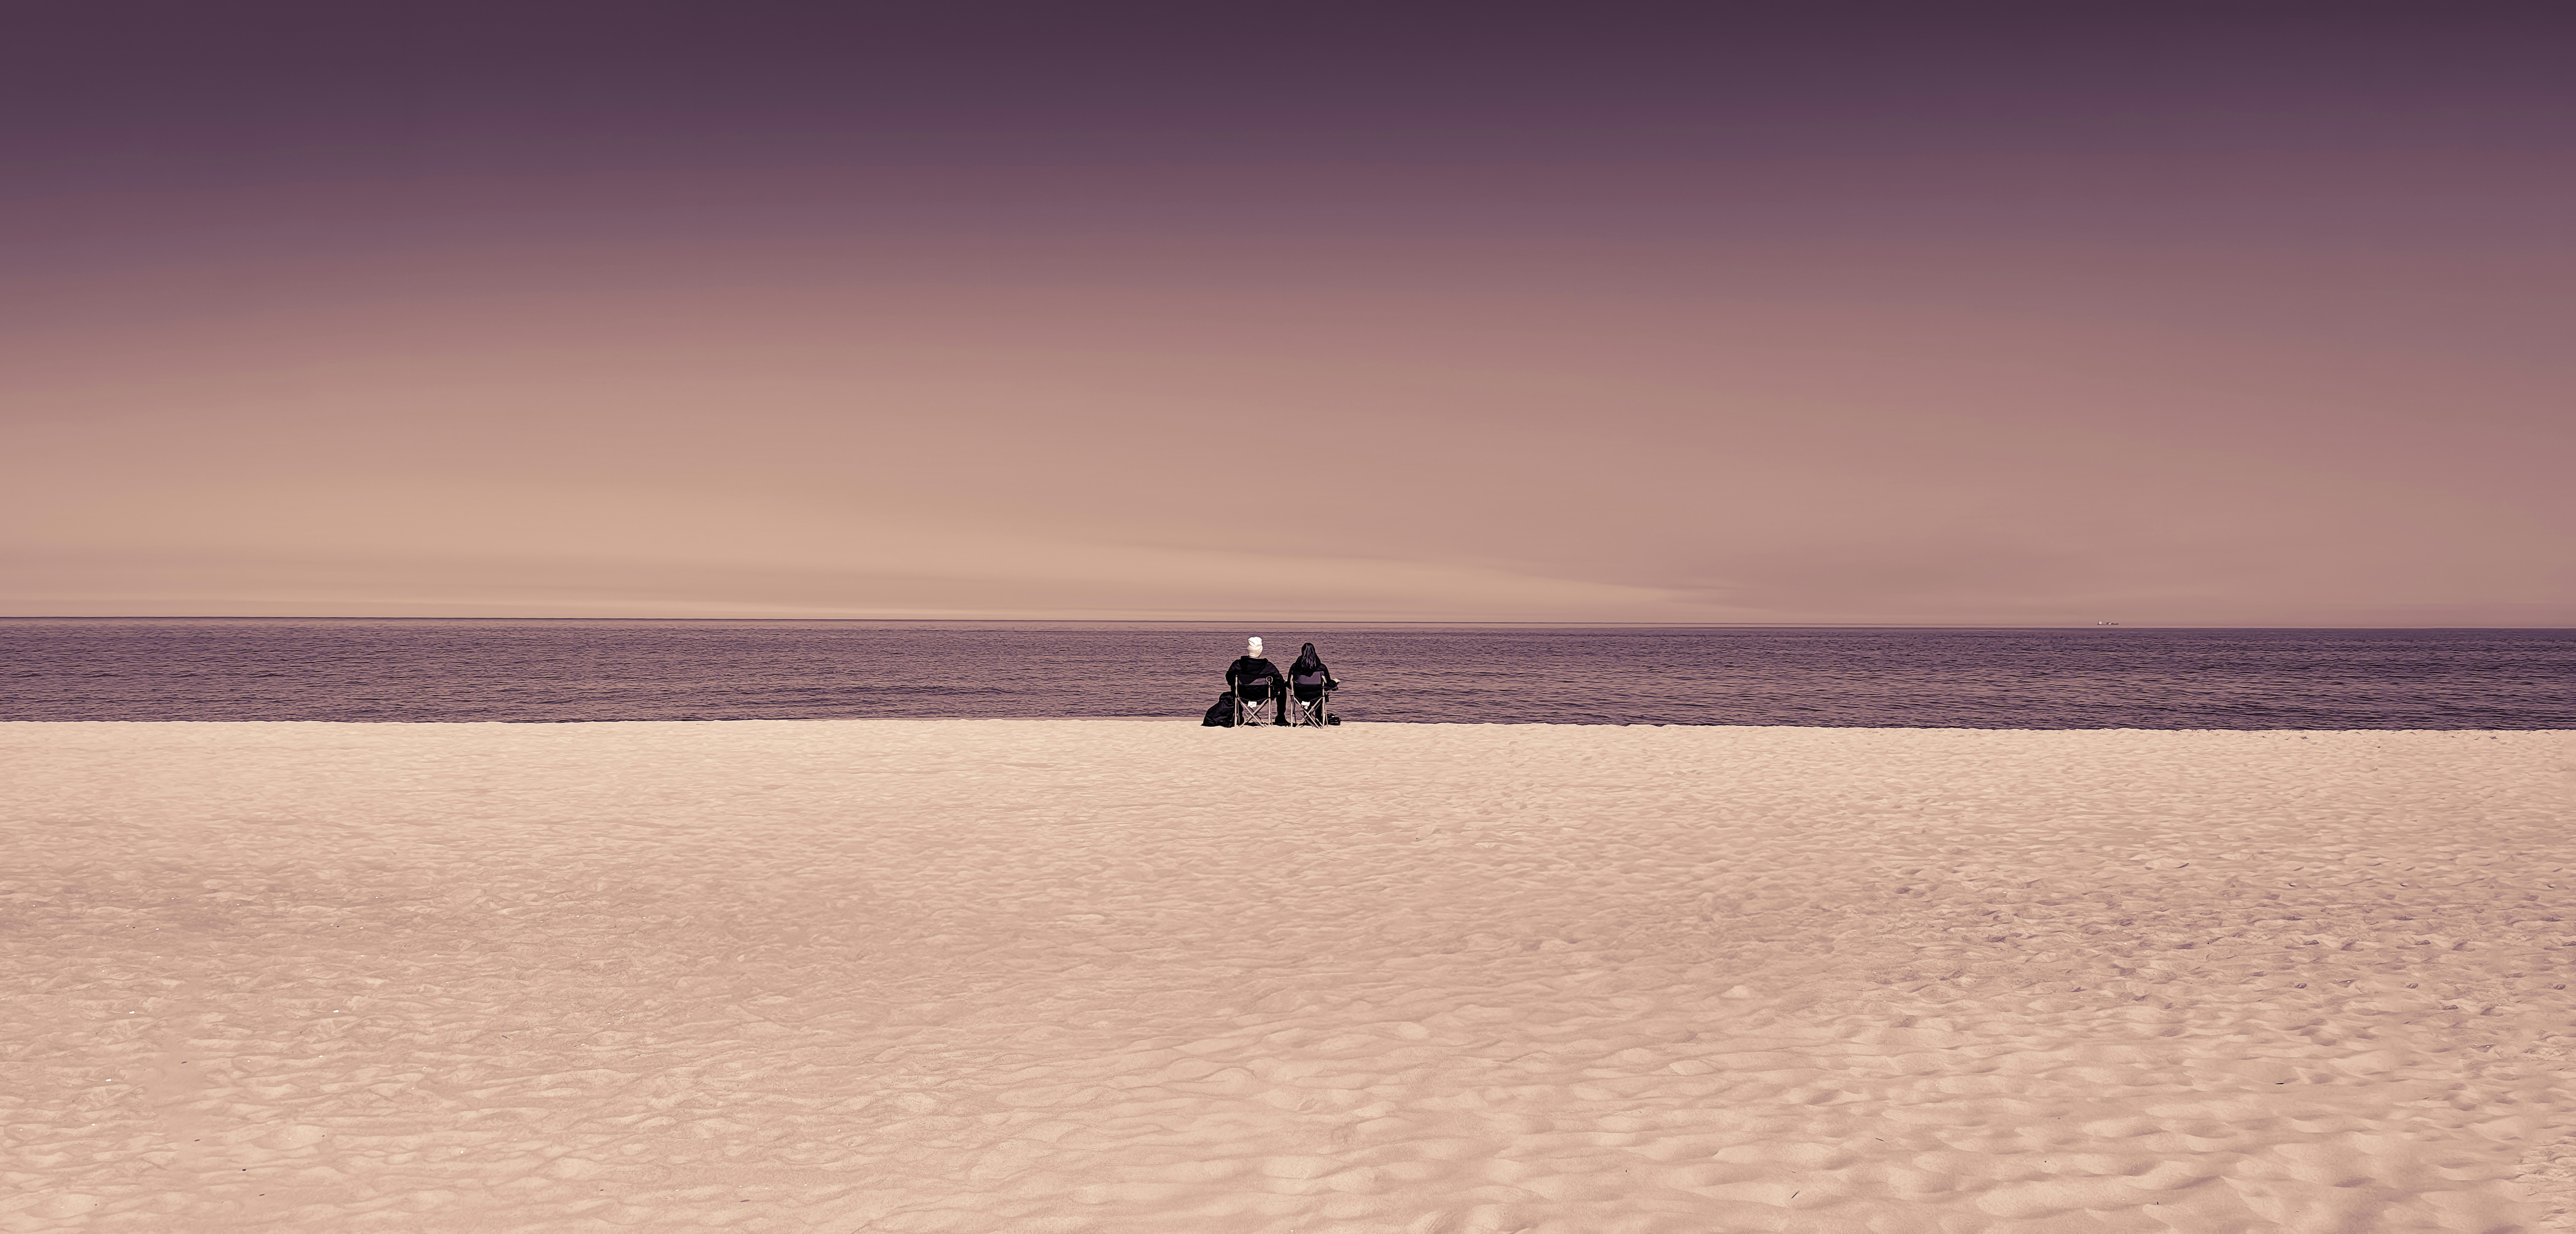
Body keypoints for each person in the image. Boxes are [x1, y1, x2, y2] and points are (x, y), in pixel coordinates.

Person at [1225, 637, 1289, 726]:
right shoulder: (1268, 667)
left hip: (1242, 696)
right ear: (1260, 651)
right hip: (1263, 696)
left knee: (1234, 687)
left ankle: (1239, 717)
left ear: (1249, 650)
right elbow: (1280, 682)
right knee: (1282, 688)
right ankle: (1281, 718)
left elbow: (1230, 679)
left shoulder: (1237, 664)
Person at [1288, 642, 1340, 724]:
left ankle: (1308, 717)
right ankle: (1319, 718)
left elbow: (1289, 685)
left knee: (1309, 692)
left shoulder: (1294, 667)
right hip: (1317, 697)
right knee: (1321, 694)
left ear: (1302, 652)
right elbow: (1328, 684)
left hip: (1299, 698)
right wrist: (1335, 683)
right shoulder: (1322, 668)